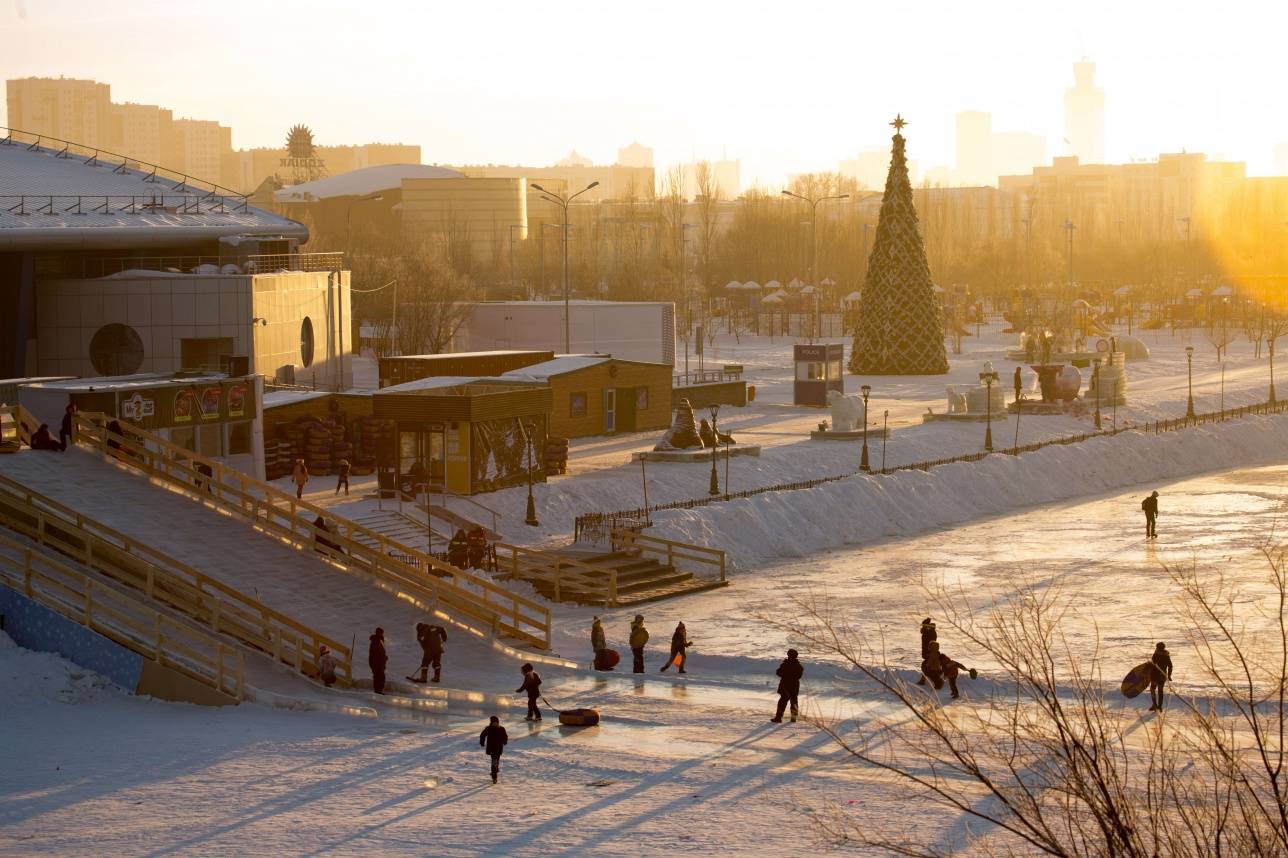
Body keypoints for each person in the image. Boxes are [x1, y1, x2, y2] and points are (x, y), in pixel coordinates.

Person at [771, 649, 804, 723]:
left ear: (789, 655)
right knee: (794, 702)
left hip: (785, 686)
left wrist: (786, 673)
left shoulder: (786, 664)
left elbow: (778, 672)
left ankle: (778, 718)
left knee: (782, 702)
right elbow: (798, 676)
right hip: (794, 686)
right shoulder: (799, 666)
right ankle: (793, 718)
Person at [479, 716, 509, 784]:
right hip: (491, 748)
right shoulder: (488, 729)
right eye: (493, 722)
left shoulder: (501, 729)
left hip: (499, 748)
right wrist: (482, 742)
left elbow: (505, 736)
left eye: (496, 722)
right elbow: (482, 735)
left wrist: (505, 741)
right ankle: (494, 777)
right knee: (494, 762)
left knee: (496, 760)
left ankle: (495, 770)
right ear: (491, 722)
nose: (495, 724)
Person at [1149, 641, 1173, 711]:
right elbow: (1170, 666)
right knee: (1160, 690)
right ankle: (1160, 706)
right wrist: (1169, 675)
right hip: (1163, 675)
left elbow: (1152, 664)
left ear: (1158, 648)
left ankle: (1154, 705)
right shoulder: (1166, 655)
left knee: (1152, 689)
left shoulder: (1156, 654)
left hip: (1155, 675)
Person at [915, 618, 937, 685]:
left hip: (929, 653)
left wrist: (929, 653)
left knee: (926, 666)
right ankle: (933, 680)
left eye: (924, 625)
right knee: (928, 666)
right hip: (927, 652)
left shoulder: (930, 633)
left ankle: (924, 680)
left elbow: (930, 643)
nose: (922, 626)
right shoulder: (928, 632)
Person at [368, 627, 388, 695]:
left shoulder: (379, 640)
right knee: (379, 677)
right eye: (382, 633)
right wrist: (383, 658)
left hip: (378, 663)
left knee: (379, 677)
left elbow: (381, 652)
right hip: (377, 663)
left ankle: (378, 691)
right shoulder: (376, 641)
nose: (383, 634)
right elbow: (377, 653)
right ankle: (378, 691)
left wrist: (384, 657)